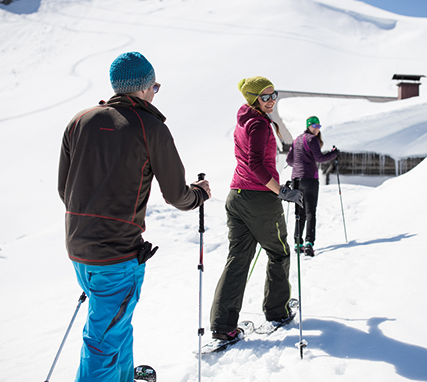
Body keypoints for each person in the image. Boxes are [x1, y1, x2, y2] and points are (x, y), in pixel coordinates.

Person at [57, 51, 211, 382]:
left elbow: (64, 189)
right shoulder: (150, 126)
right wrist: (199, 193)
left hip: (79, 249)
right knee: (102, 341)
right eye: (154, 85)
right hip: (116, 254)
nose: (155, 92)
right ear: (142, 88)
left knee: (115, 325)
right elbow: (176, 195)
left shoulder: (79, 120)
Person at [209, 76, 303, 342]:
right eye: (265, 96)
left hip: (236, 196)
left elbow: (251, 163)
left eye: (274, 95)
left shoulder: (244, 119)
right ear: (253, 99)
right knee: (280, 253)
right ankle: (277, 312)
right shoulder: (259, 123)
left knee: (238, 259)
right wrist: (281, 191)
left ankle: (223, 326)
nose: (271, 100)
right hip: (259, 199)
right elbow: (256, 165)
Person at [286, 116, 338, 257]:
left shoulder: (297, 140)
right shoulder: (312, 139)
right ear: (308, 125)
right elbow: (320, 158)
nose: (316, 128)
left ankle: (298, 243)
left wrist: (298, 165)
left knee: (299, 213)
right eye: (314, 125)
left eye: (318, 126)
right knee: (310, 213)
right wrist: (334, 154)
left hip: (296, 180)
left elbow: (289, 160)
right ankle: (309, 243)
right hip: (309, 179)